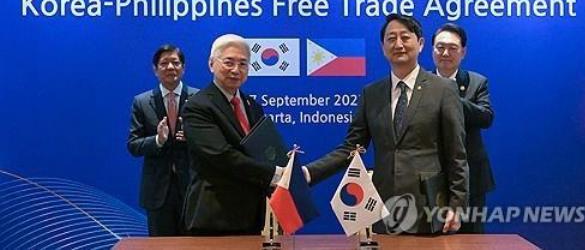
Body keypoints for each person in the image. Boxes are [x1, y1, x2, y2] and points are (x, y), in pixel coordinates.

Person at [305, 14, 468, 234]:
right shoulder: (371, 94)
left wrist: (457, 206)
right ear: (383, 47)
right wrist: (308, 172)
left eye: (405, 37)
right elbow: (351, 148)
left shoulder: (443, 90)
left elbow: (457, 154)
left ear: (420, 44)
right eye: (391, 38)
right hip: (384, 210)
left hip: (429, 210)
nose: (398, 44)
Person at [182, 34, 282, 235]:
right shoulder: (197, 106)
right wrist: (275, 174)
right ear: (211, 64)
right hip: (214, 217)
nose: (236, 70)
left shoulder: (253, 106)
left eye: (243, 64)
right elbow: (221, 155)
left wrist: (284, 167)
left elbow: (263, 151)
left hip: (253, 215)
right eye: (229, 62)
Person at [127, 44, 198, 236]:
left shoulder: (199, 99)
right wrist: (157, 140)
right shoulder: (141, 102)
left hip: (193, 190)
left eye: (175, 63)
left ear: (183, 68)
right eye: (164, 63)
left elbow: (212, 142)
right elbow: (133, 145)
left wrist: (193, 139)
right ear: (155, 69)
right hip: (158, 193)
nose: (170, 67)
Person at [432, 23, 495, 233]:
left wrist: (451, 97)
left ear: (463, 52)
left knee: (471, 239)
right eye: (440, 47)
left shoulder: (477, 82)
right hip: (430, 177)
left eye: (452, 48)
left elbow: (486, 118)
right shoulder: (420, 83)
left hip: (471, 179)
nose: (445, 53)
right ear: (431, 50)